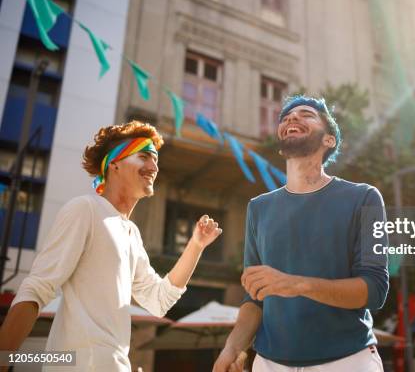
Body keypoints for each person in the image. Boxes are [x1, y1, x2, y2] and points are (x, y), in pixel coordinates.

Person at [0, 121, 222, 371]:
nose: (154, 167)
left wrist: (196, 245)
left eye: (156, 160)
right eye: (144, 157)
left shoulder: (131, 233)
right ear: (115, 164)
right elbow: (37, 287)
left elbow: (159, 301)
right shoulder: (86, 209)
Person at [214, 96, 389, 372]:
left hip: (347, 360)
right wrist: (232, 347)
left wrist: (296, 285)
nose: (291, 119)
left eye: (305, 114)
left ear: (328, 140)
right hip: (269, 364)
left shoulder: (364, 197)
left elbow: (375, 290)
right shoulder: (258, 208)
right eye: (285, 118)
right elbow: (254, 298)